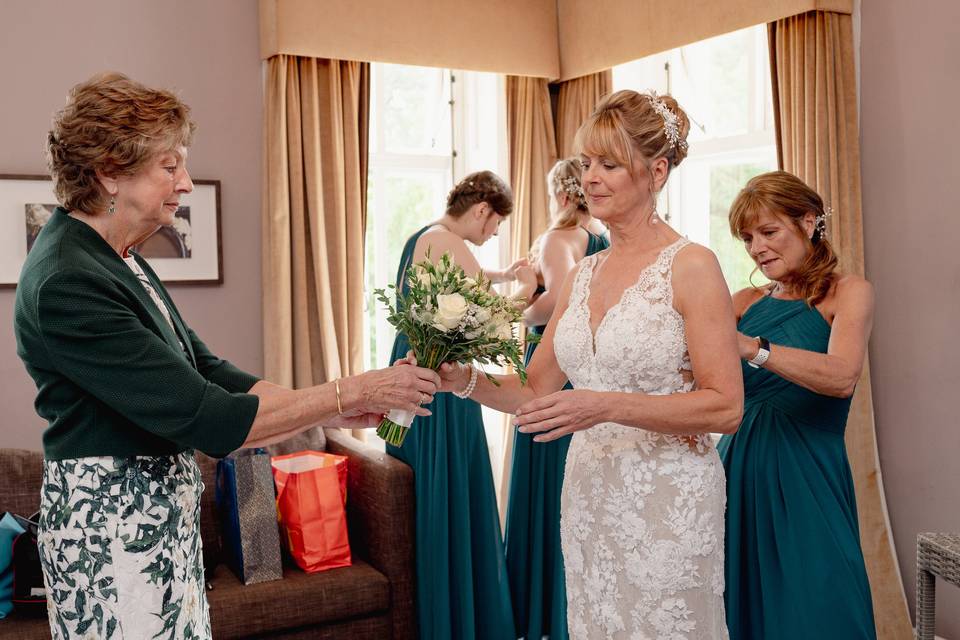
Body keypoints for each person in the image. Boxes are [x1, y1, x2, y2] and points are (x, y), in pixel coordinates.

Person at [13, 72, 439, 640]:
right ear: (109, 171)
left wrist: (329, 412)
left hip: (153, 523)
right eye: (170, 167)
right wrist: (353, 391)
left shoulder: (116, 256)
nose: (185, 183)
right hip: (113, 536)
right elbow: (208, 416)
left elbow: (208, 371)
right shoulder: (69, 280)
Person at [438, 90, 743, 639]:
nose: (590, 178)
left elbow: (725, 406)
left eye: (608, 164)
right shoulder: (583, 276)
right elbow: (535, 389)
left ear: (657, 170)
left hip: (668, 503)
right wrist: (466, 380)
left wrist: (602, 405)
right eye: (586, 164)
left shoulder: (693, 266)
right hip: (589, 493)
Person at [717, 171, 877, 639]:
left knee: (820, 607)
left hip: (809, 474)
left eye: (769, 232)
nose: (757, 247)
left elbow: (842, 376)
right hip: (738, 470)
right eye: (747, 238)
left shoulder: (849, 292)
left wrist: (753, 349)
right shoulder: (743, 301)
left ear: (808, 223)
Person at [385, 170, 536, 639]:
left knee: (425, 491)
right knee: (450, 490)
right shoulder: (451, 244)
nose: (491, 238)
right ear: (481, 211)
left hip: (411, 367)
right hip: (443, 379)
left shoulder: (423, 236)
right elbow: (490, 321)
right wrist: (527, 288)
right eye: (493, 227)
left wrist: (497, 274)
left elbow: (453, 280)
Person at [504, 157, 608, 640]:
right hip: (588, 369)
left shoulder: (558, 238)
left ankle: (546, 614)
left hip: (552, 362)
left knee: (550, 484)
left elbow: (566, 291)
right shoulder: (602, 239)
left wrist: (525, 309)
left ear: (562, 196)